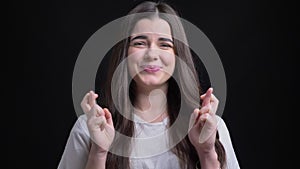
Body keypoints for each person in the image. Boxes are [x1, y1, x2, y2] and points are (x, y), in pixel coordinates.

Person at [57, 1, 240, 169]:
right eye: (140, 43)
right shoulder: (90, 127)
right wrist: (99, 152)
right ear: (125, 54)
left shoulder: (209, 126)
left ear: (178, 56)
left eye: (165, 44)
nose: (152, 53)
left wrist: (206, 151)